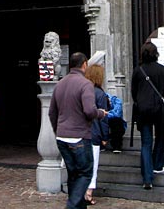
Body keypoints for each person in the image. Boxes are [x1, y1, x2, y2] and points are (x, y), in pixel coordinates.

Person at [49, 52, 107, 209]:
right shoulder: (85, 84)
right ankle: (73, 205)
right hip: (79, 136)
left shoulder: (60, 84)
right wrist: (101, 113)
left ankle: (79, 205)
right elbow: (89, 111)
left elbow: (52, 112)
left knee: (73, 174)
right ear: (84, 64)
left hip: (62, 136)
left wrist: (58, 130)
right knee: (86, 173)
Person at [131, 41, 164, 190]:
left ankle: (147, 177)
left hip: (143, 110)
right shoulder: (162, 70)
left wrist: (140, 101)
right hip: (159, 109)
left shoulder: (138, 71)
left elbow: (133, 92)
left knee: (145, 142)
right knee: (160, 137)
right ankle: (158, 164)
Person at [84, 64, 110, 205]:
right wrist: (105, 137)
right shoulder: (100, 94)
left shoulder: (82, 91)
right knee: (93, 164)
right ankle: (88, 193)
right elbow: (103, 118)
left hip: (81, 133)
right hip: (93, 134)